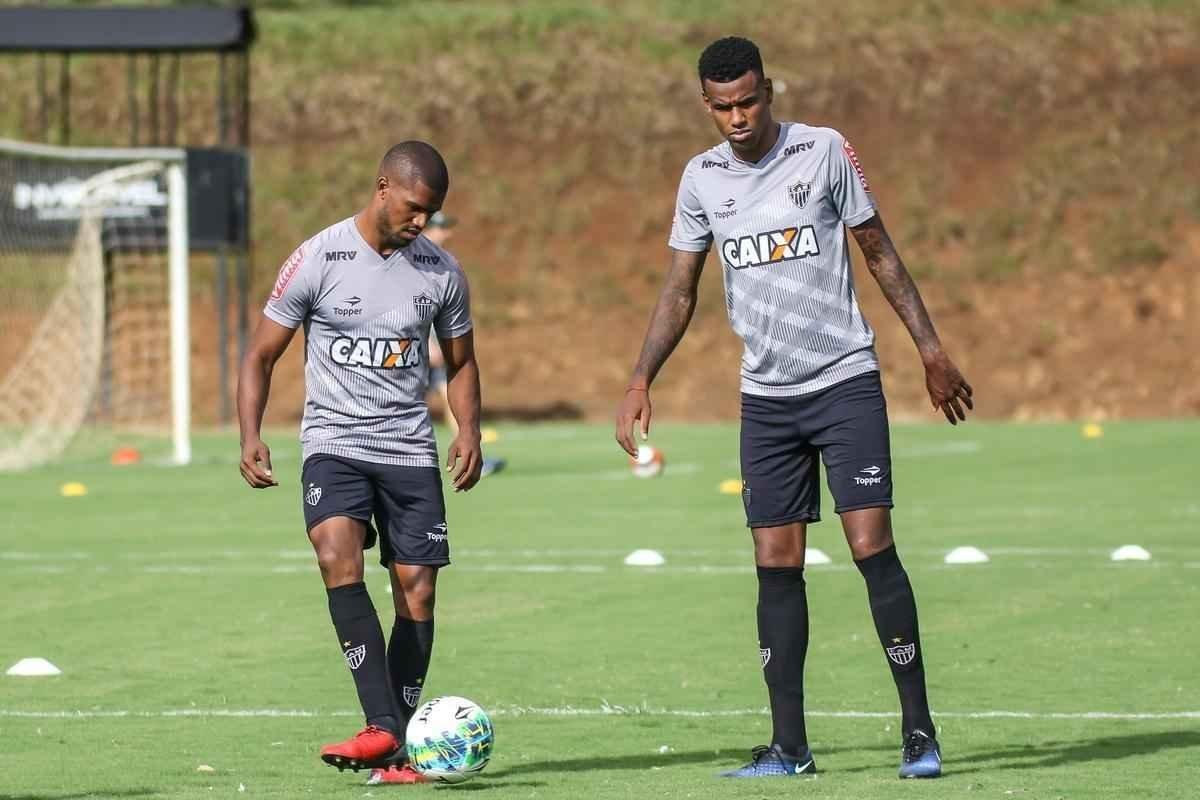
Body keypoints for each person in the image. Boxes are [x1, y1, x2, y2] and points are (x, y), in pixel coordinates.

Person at [615, 37, 973, 780]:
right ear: (706, 105)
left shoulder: (824, 151)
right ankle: (790, 748)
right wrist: (640, 377)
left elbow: (879, 252)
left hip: (844, 381)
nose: (738, 118)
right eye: (723, 107)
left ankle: (919, 733)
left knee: (870, 544)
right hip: (767, 400)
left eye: (748, 101)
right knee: (774, 563)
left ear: (769, 91)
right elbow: (679, 289)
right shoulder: (701, 179)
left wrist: (931, 351)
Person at [237, 141, 483, 786]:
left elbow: (461, 363)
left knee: (418, 589)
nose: (421, 221)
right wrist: (250, 434)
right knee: (334, 553)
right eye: (414, 207)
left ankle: (394, 751)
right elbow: (260, 354)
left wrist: (469, 429)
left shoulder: (442, 273)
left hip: (408, 449)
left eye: (431, 212)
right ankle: (383, 727)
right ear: (382, 188)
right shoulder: (318, 258)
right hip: (334, 443)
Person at [423, 210, 506, 478]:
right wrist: (427, 344)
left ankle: (468, 454)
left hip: (437, 349)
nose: (448, 232)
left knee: (452, 401)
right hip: (416, 350)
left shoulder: (443, 261)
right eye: (442, 227)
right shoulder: (415, 260)